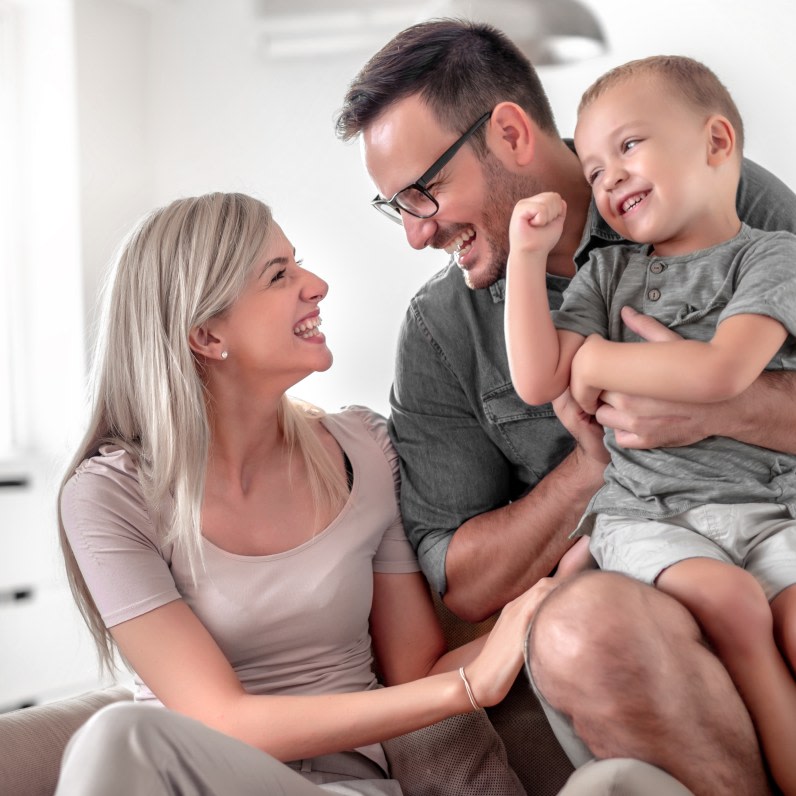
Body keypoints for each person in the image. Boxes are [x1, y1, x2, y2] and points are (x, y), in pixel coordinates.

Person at [335, 18, 796, 795]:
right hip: (636, 564)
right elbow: (465, 582)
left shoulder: (723, 193)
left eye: (424, 192)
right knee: (581, 634)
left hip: (772, 515)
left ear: (510, 132)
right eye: (397, 209)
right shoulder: (443, 329)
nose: (417, 235)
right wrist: (594, 463)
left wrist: (716, 408)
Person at [54, 191, 565, 796]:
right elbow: (217, 719)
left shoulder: (364, 452)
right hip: (193, 781)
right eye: (279, 275)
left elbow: (413, 675)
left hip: (344, 787)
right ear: (207, 335)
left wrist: (543, 601)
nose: (317, 284)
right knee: (120, 737)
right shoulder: (111, 496)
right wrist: (466, 687)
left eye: (298, 263)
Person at [505, 55, 796, 795]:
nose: (609, 181)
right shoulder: (608, 276)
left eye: (628, 147)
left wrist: (599, 358)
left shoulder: (775, 259)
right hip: (649, 512)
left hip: (769, 506)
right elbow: (541, 379)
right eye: (594, 171)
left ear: (717, 142)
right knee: (731, 602)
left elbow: (722, 373)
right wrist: (524, 260)